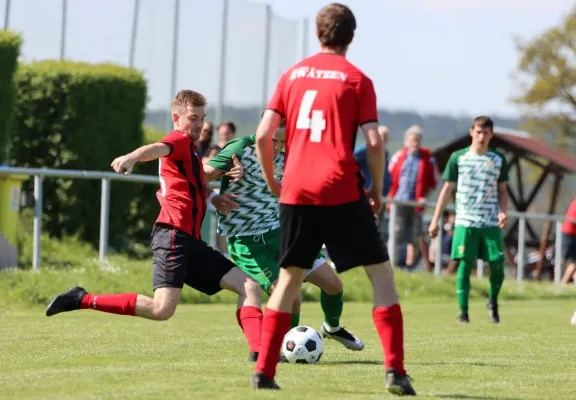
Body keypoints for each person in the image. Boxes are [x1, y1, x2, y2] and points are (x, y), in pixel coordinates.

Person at [249, 3, 416, 396]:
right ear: (351, 37)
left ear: (317, 33)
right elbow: (374, 141)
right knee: (381, 275)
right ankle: (394, 371)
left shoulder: (291, 76)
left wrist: (276, 181)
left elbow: (261, 135)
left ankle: (264, 372)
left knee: (288, 280)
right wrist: (376, 189)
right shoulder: (356, 79)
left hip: (296, 191)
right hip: (341, 188)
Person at [45, 91, 264, 354]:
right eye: (193, 118)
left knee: (249, 285)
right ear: (176, 117)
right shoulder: (179, 139)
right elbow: (159, 148)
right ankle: (81, 299)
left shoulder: (191, 154)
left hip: (189, 240)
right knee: (162, 309)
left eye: (202, 118)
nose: (199, 124)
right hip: (173, 236)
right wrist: (134, 157)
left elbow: (195, 184)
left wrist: (213, 198)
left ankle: (261, 352)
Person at [204, 118, 364, 362]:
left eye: (283, 141)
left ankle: (332, 328)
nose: (278, 147)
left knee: (334, 286)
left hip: (283, 234)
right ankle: (279, 348)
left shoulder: (291, 153)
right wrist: (214, 196)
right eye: (273, 140)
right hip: (248, 240)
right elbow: (197, 174)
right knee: (291, 297)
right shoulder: (239, 149)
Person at [429, 116, 509, 324]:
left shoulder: (498, 159)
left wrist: (503, 211)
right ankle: (463, 312)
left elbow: (503, 190)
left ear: (491, 135)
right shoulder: (458, 158)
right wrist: (435, 219)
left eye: (486, 133)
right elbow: (446, 190)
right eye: (478, 132)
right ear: (471, 132)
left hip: (490, 221)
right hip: (465, 221)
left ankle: (493, 301)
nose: (482, 136)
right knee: (464, 264)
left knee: (498, 264)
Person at [388, 125, 437, 271]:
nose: (414, 143)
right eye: (412, 140)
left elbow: (433, 181)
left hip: (416, 203)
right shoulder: (399, 156)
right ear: (407, 141)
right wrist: (391, 197)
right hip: (399, 201)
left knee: (414, 236)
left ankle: (410, 266)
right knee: (396, 233)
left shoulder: (428, 159)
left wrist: (424, 197)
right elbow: (389, 177)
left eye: (417, 140)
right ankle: (393, 263)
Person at [354, 125, 392, 246]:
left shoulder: (385, 153)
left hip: (381, 195)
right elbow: (351, 161)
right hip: (366, 193)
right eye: (381, 136)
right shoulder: (364, 150)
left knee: (376, 226)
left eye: (385, 137)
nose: (383, 139)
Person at [560, 197, 576, 286]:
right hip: (570, 234)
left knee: (572, 261)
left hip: (571, 233)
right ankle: (563, 282)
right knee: (572, 261)